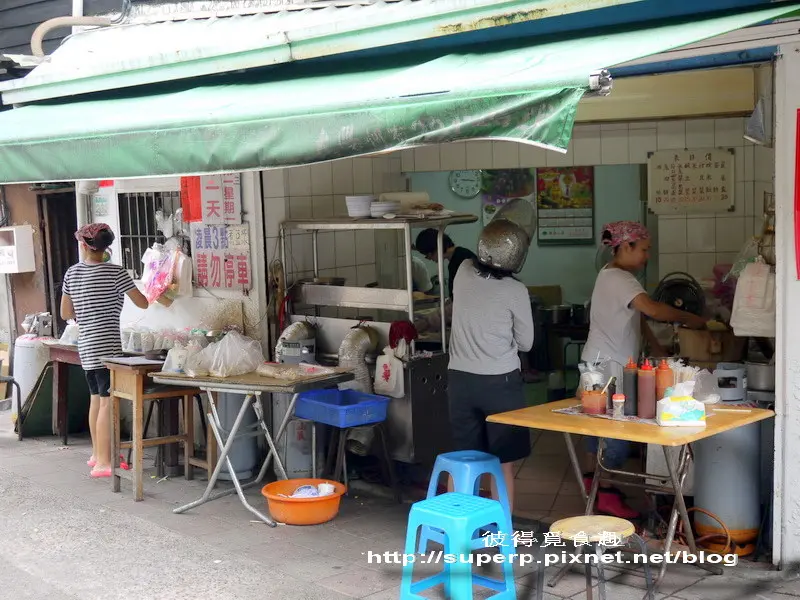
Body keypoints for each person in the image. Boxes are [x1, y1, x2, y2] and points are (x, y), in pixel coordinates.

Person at [581, 221, 706, 518]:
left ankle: (594, 485)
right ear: (626, 246)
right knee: (613, 432)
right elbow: (652, 309)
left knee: (596, 428)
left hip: (597, 362)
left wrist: (658, 349)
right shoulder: (621, 278)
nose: (647, 257)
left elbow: (638, 318)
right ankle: (606, 495)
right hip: (608, 367)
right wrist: (691, 318)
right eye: (644, 250)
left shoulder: (609, 274)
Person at [447, 218, 534, 514]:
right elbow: (526, 343)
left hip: (460, 381)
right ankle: (502, 530)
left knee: (463, 460)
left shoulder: (463, 271)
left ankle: (459, 526)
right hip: (500, 384)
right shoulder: (515, 291)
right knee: (502, 464)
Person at [60, 223, 149, 478]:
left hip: (87, 345)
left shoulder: (72, 273)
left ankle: (97, 454)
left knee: (96, 399)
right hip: (108, 346)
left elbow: (65, 313)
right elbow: (142, 303)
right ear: (106, 247)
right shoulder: (116, 273)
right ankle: (104, 462)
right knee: (108, 402)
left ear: (83, 245)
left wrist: (86, 310)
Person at [414, 229, 476, 299]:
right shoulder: (459, 256)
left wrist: (425, 297)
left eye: (428, 255)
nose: (429, 258)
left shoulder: (461, 260)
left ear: (436, 248)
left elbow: (460, 296)